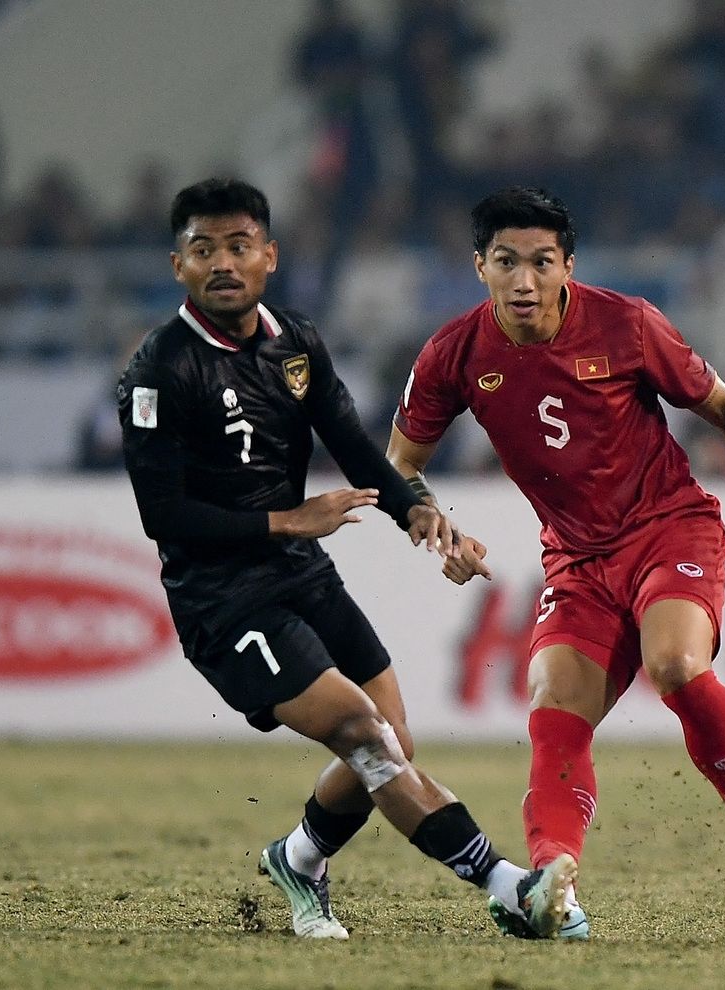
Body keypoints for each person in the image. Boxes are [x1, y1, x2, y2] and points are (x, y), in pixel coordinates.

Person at [117, 178, 576, 940]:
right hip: (223, 602)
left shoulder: (293, 342)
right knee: (366, 740)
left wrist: (423, 515)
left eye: (238, 247)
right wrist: (289, 521)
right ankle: (510, 886)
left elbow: (357, 447)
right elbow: (161, 516)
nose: (222, 264)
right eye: (204, 250)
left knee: (392, 744)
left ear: (269, 256)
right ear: (178, 265)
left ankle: (297, 859)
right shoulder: (159, 370)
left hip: (301, 576)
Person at [386, 187, 725, 940]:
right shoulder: (453, 354)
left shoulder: (628, 323)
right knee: (552, 709)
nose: (525, 281)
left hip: (670, 529)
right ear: (480, 267)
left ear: (569, 265)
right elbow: (400, 463)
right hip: (576, 560)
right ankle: (553, 887)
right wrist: (434, 523)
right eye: (507, 262)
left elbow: (724, 405)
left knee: (675, 665)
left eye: (542, 262)